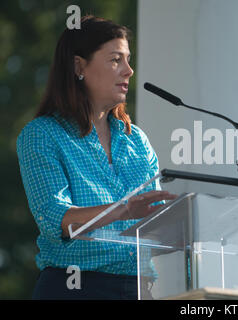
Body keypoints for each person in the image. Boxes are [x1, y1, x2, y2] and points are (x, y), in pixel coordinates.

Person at [16, 15, 176, 300]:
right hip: (75, 289)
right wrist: (125, 209)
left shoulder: (136, 139)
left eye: (128, 60)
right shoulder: (42, 134)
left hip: (140, 289)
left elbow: (156, 219)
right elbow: (57, 219)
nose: (129, 71)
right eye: (116, 60)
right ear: (79, 66)